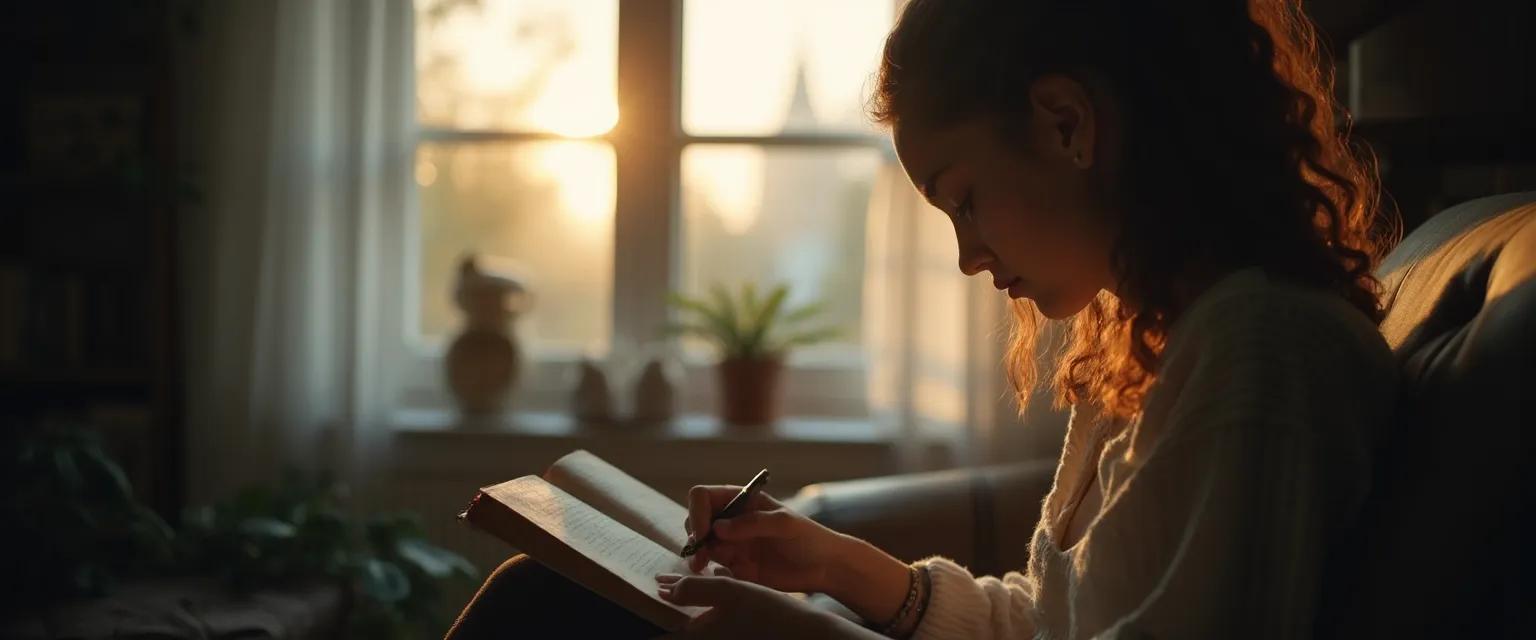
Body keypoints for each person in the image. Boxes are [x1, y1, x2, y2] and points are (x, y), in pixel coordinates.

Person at [446, 0, 1399, 637]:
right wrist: (846, 568)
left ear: (1068, 124)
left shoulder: (1259, 352)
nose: (967, 255)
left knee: (543, 612)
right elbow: (1050, 623)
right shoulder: (1171, 340)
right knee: (548, 601)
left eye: (966, 198)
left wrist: (812, 635)